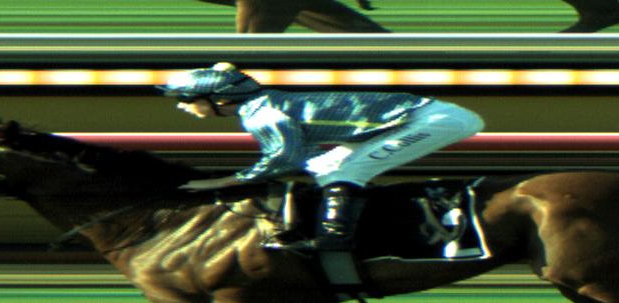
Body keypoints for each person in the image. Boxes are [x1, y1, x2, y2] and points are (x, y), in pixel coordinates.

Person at [160, 62, 483, 258]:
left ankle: (334, 239)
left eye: (187, 99)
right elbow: (305, 158)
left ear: (221, 100)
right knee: (327, 166)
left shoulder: (262, 115)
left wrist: (225, 181)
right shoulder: (262, 105)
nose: (181, 106)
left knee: (345, 168)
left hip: (435, 120)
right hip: (422, 116)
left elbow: (284, 157)